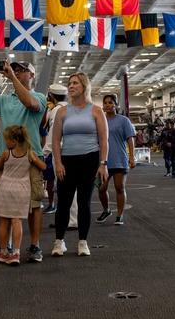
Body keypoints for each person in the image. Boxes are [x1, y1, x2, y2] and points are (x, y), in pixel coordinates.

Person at [0, 60, 47, 262]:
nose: (15, 72)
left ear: (31, 75)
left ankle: (35, 246)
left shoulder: (39, 97)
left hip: (31, 158)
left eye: (21, 70)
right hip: (5, 156)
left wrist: (11, 77)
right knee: (4, 203)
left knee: (34, 204)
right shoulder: (4, 99)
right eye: (14, 69)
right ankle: (5, 247)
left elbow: (30, 104)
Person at [50, 73, 108, 257]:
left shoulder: (96, 111)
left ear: (84, 86)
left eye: (75, 83)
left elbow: (103, 140)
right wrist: (58, 162)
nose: (71, 86)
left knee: (84, 203)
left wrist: (102, 163)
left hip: (90, 160)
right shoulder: (62, 111)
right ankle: (59, 242)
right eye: (69, 83)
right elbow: (56, 138)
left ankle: (83, 242)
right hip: (67, 160)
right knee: (64, 203)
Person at [0, 125, 47, 265]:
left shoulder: (6, 154)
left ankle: (4, 252)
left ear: (14, 141)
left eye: (6, 140)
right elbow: (43, 167)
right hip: (22, 189)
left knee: (4, 222)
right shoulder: (29, 154)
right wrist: (35, 160)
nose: (5, 142)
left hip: (6, 188)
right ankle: (16, 253)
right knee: (17, 221)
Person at [96, 94, 136, 225]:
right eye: (105, 103)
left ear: (116, 105)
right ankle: (106, 210)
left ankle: (120, 215)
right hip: (104, 161)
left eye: (110, 102)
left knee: (120, 187)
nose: (107, 105)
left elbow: (130, 139)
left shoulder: (123, 120)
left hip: (120, 159)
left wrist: (132, 157)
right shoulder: (100, 120)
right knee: (101, 189)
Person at [42, 84, 67, 214]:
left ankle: (65, 217)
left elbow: (53, 135)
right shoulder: (69, 108)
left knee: (61, 185)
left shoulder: (56, 110)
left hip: (59, 152)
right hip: (69, 151)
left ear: (52, 96)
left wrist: (44, 153)